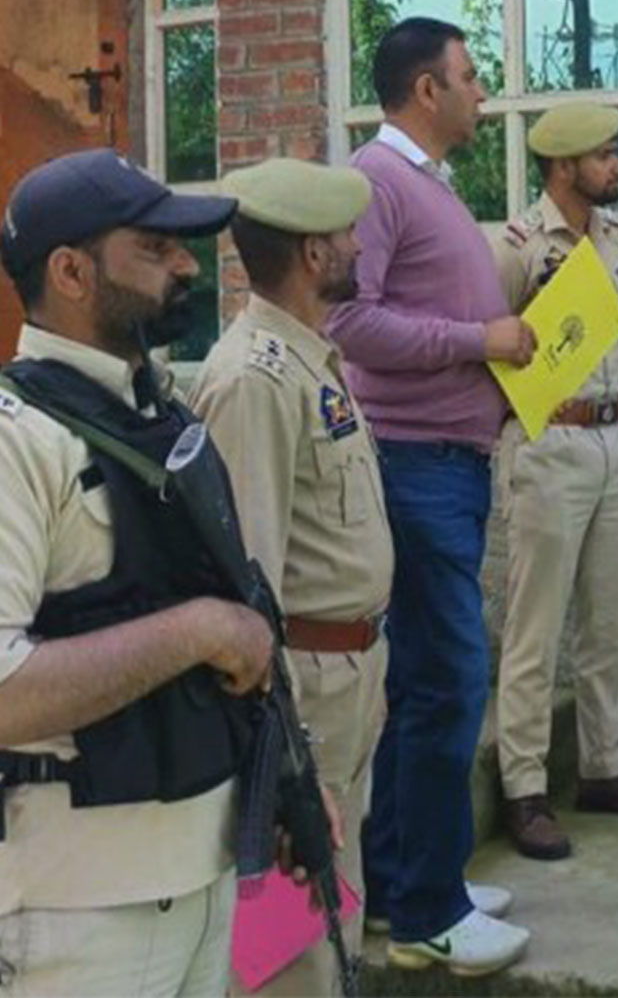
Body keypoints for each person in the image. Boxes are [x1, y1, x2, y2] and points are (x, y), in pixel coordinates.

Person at [0, 149, 273, 994]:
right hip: (79, 913)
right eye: (154, 248)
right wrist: (201, 632)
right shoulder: (16, 439)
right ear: (72, 271)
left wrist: (284, 785)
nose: (188, 263)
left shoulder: (160, 409)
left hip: (205, 869)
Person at [326, 18, 533, 976]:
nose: (482, 91)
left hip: (450, 463)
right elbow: (354, 321)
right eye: (469, 75)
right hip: (415, 468)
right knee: (450, 680)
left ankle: (411, 880)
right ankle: (428, 918)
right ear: (424, 89)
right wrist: (478, 341)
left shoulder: (425, 182)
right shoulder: (378, 179)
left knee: (423, 686)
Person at [188, 158, 404, 993]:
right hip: (302, 690)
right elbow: (249, 583)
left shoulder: (310, 358)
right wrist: (278, 745)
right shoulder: (254, 380)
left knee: (332, 905)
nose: (358, 245)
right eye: (347, 234)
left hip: (348, 671)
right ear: (315, 254)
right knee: (286, 939)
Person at [493, 103, 618, 861]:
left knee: (610, 619)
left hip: (614, 435)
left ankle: (606, 765)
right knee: (535, 626)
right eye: (604, 156)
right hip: (551, 440)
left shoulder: (616, 239)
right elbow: (491, 345)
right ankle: (524, 787)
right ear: (564, 166)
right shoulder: (516, 247)